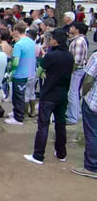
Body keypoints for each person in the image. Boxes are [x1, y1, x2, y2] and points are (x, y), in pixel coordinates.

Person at [24, 29, 74, 165]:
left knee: (43, 125)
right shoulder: (70, 56)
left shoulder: (51, 56)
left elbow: (39, 72)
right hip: (63, 94)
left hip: (49, 94)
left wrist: (44, 74)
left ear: (55, 41)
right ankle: (61, 153)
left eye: (51, 39)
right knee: (60, 124)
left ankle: (38, 155)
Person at [71, 50, 97, 178]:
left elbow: (88, 80)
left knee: (92, 134)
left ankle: (91, 167)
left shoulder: (96, 57)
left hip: (93, 103)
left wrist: (84, 94)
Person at [5, 21, 36, 126]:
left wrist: (11, 72)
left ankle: (18, 117)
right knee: (22, 95)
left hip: (20, 73)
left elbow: (15, 61)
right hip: (31, 71)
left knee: (18, 96)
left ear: (16, 31)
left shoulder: (19, 44)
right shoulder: (31, 41)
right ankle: (16, 112)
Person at [66, 22, 89, 125]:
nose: (70, 28)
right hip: (78, 70)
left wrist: (70, 71)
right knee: (74, 92)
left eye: (72, 27)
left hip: (76, 70)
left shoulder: (79, 41)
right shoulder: (78, 40)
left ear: (77, 29)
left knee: (73, 93)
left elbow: (76, 60)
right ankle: (74, 114)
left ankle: (72, 117)